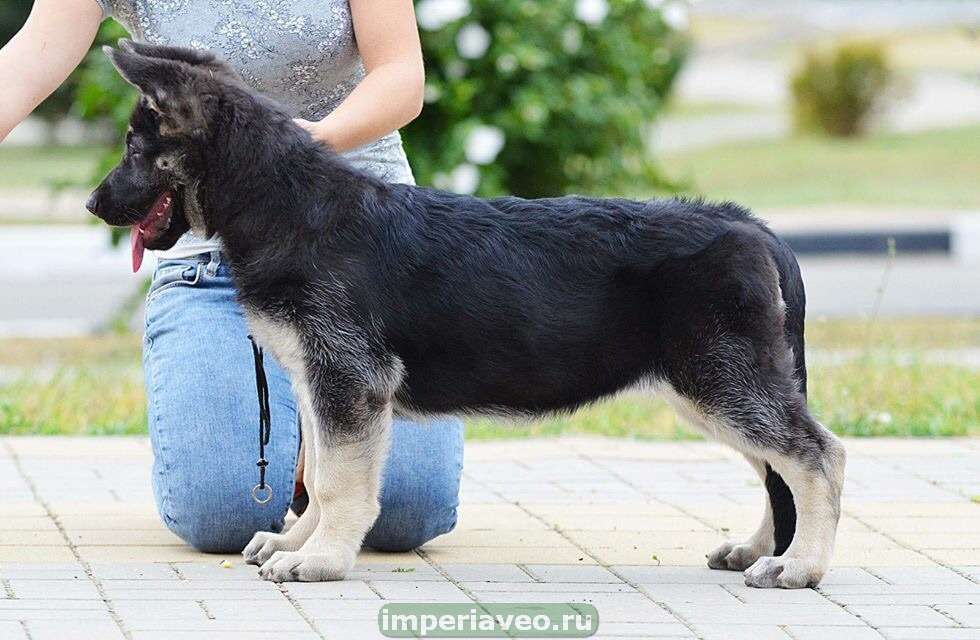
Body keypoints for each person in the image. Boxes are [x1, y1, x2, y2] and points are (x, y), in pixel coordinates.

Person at [0, 0, 464, 553]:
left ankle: (315, 428)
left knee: (407, 514)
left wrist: (298, 150)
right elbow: (24, 64)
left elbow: (402, 78)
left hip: (367, 253)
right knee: (222, 512)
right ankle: (302, 422)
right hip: (216, 264)